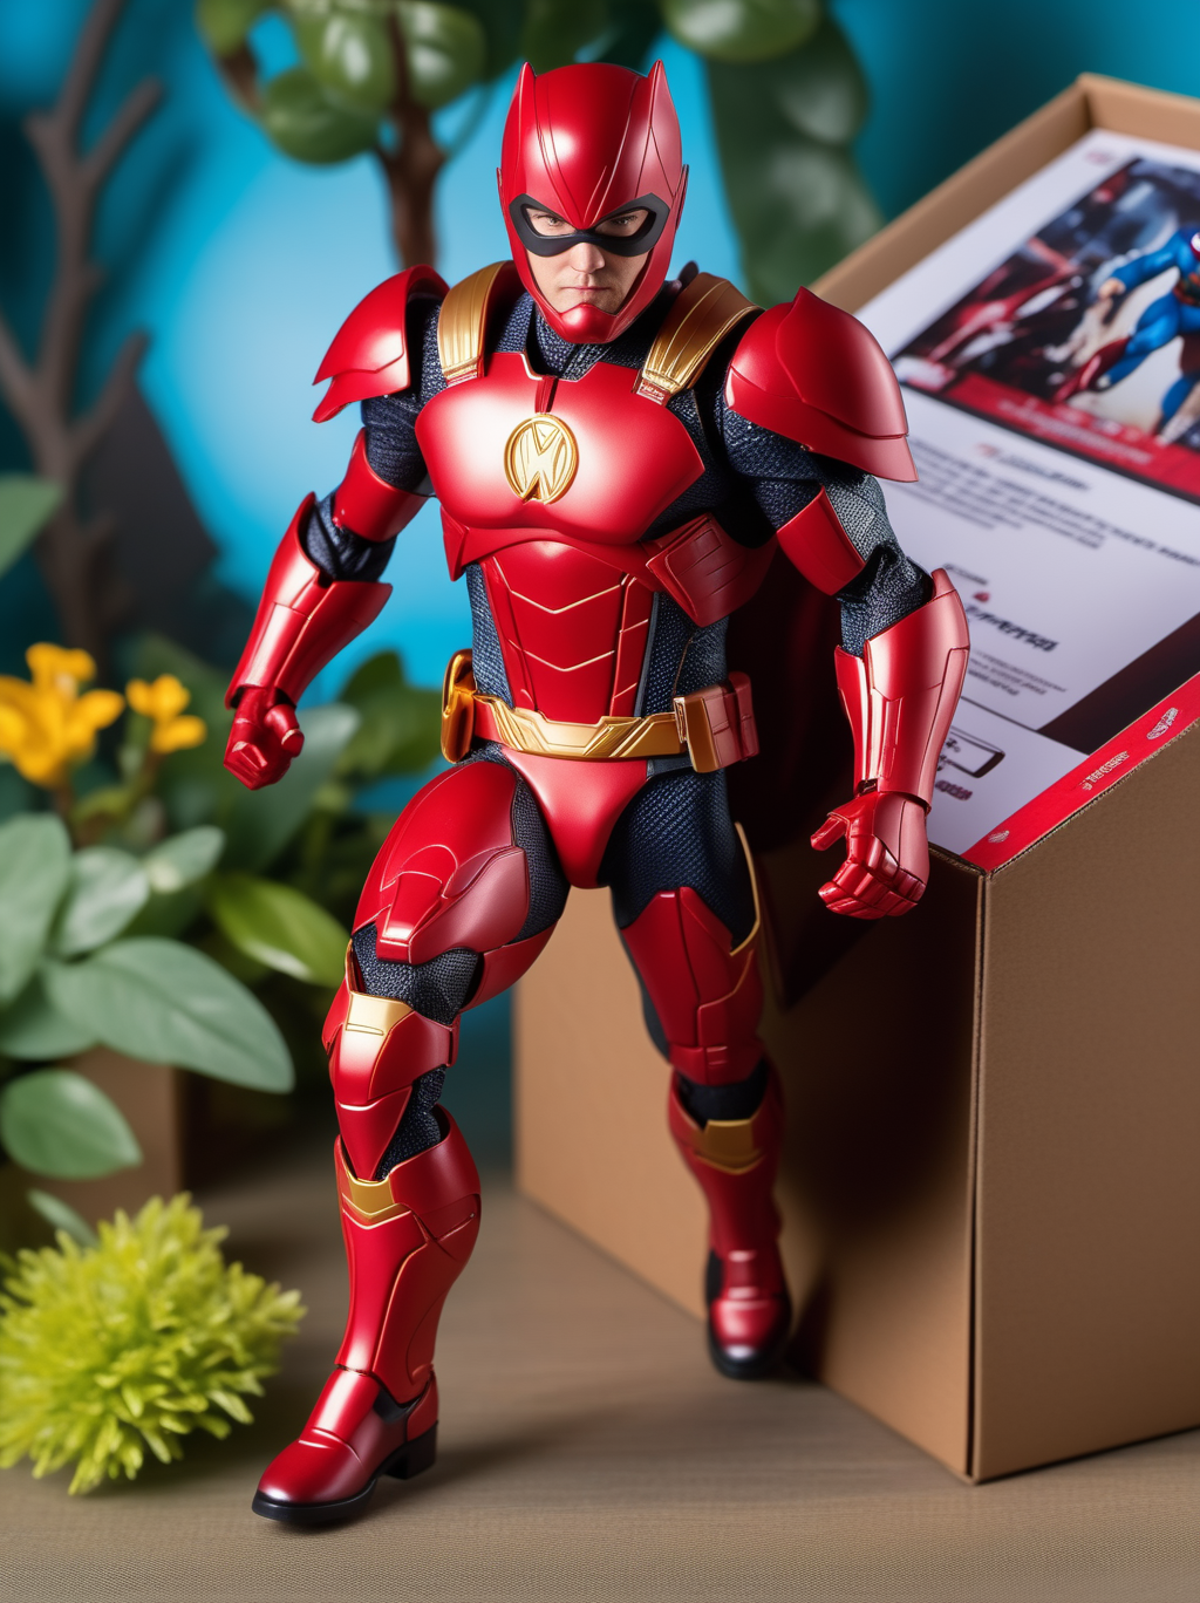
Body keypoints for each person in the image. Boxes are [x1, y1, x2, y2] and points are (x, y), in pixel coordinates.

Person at [224, 59, 969, 1526]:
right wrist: (267, 676)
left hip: (668, 784)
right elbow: (347, 536)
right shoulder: (436, 354)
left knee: (713, 1062)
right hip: (509, 764)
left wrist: (896, 789)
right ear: (511, 209)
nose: (583, 269)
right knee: (373, 1041)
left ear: (669, 208)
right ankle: (384, 1383)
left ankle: (744, 1243)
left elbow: (882, 592)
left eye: (621, 233)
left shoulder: (747, 376)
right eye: (550, 232)